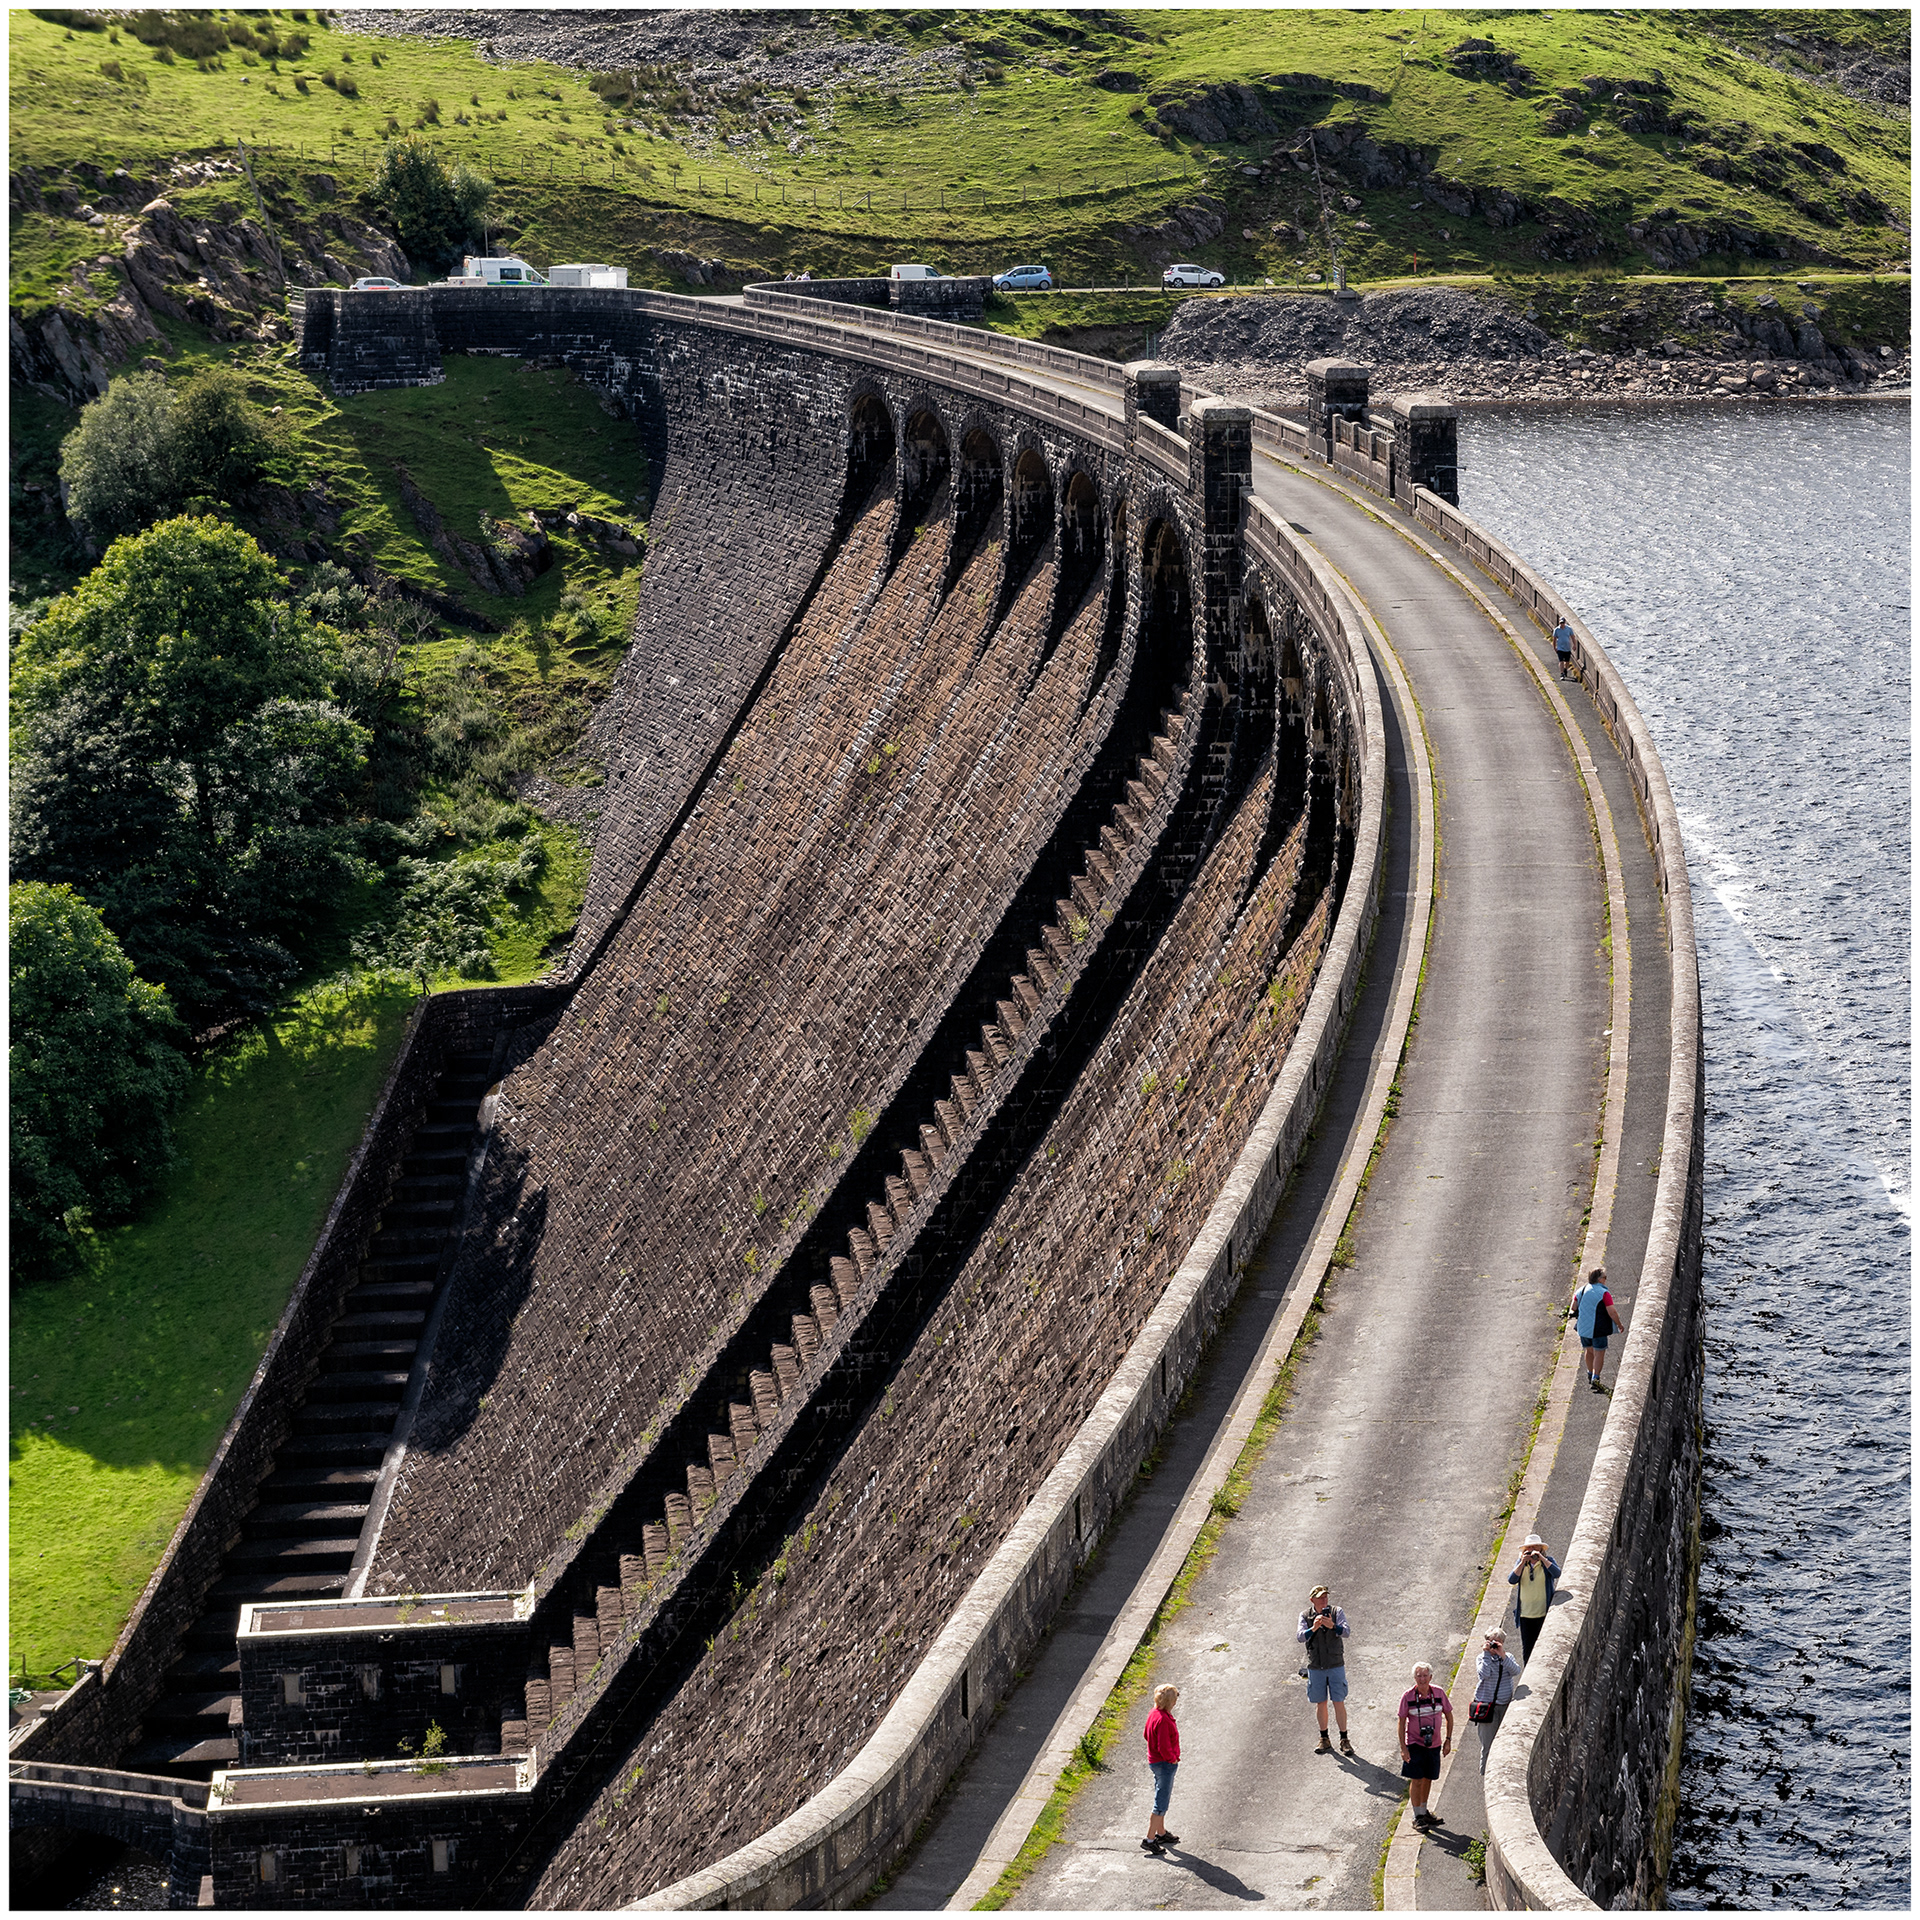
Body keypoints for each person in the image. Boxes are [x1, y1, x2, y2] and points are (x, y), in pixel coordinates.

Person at [1297, 1584, 1355, 1756]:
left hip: (1335, 1663)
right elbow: (1300, 1636)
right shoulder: (1305, 1616)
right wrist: (1313, 1628)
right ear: (1312, 1600)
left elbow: (1346, 1632)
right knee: (1320, 1702)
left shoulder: (1337, 1612)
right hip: (1316, 1665)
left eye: (1326, 1597)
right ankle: (1324, 1738)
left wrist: (1332, 1626)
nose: (1324, 1600)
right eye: (1320, 1597)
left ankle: (1344, 1739)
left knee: (1339, 1701)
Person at [1397, 1662, 1453, 1829]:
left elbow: (1450, 1716)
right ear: (1414, 1678)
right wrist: (1403, 1748)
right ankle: (1417, 1816)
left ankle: (1423, 1811)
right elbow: (1401, 1723)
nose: (1422, 1679)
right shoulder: (1407, 1697)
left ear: (1431, 1677)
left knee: (1428, 1778)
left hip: (1434, 1744)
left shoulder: (1439, 1693)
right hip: (1415, 1743)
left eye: (1425, 1676)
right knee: (1417, 1779)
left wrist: (1448, 1740)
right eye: (1418, 1676)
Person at [1471, 1628, 1523, 1772]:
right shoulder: (1481, 1658)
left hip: (1504, 1705)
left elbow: (1516, 1671)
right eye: (1491, 1642)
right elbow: (1484, 1674)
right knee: (1487, 1745)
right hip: (1487, 1707)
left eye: (1497, 1642)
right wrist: (1487, 1653)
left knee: (1505, 1743)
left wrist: (1502, 1655)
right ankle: (1485, 1773)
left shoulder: (1508, 1657)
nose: (1494, 1645)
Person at [1507, 1532, 1561, 1661]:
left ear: (1541, 1549)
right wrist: (1522, 1562)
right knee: (1528, 1650)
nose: (1532, 1551)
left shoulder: (1547, 1561)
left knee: (1545, 1649)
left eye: (1535, 1547)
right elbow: (1512, 1580)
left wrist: (1542, 1559)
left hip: (1543, 1613)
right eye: (1529, 1548)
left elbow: (1556, 1573)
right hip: (1526, 1614)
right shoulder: (1521, 1563)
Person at [1141, 1683, 1181, 1853]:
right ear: (1170, 1702)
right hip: (1164, 1764)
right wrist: (1172, 1759)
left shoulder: (1154, 1713)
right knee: (1161, 1802)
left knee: (1161, 1795)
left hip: (1155, 1762)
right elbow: (1164, 1747)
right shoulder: (1164, 1720)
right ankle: (1150, 1839)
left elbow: (1146, 1735)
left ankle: (1161, 1832)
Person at [1572, 1265, 1624, 1392]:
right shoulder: (1604, 1293)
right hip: (1598, 1328)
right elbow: (1612, 1312)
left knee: (1589, 1351)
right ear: (1600, 1279)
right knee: (1599, 1353)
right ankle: (1596, 1377)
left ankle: (1590, 1374)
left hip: (1583, 1328)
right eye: (1605, 1278)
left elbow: (1573, 1307)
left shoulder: (1581, 1290)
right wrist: (1619, 1324)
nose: (1605, 1280)